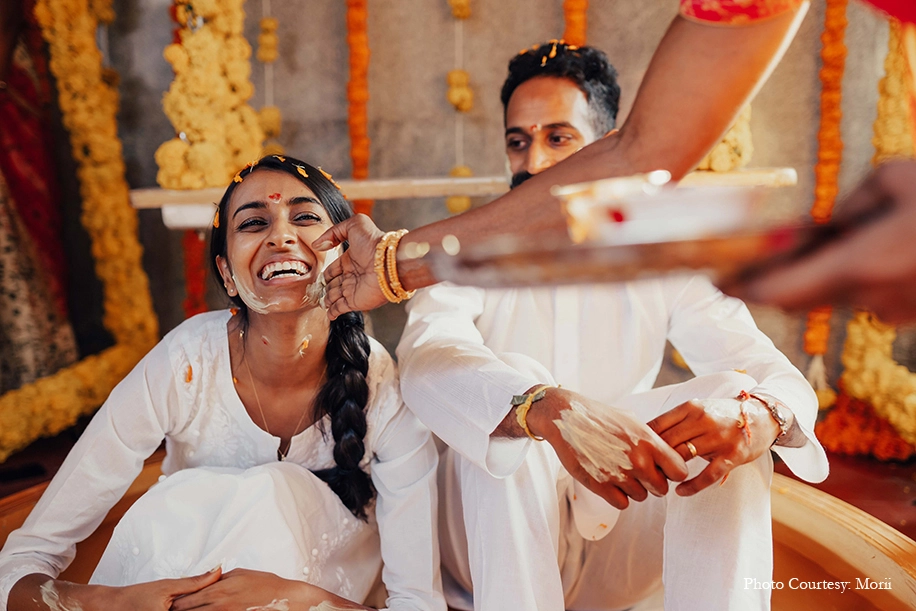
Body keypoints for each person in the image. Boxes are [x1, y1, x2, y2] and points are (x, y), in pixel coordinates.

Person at [395, 42, 828, 610]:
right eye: (518, 142)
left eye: (558, 138)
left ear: (607, 151)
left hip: (617, 531)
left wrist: (759, 416)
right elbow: (426, 361)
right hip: (485, 544)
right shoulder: (463, 250)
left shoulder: (660, 252)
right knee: (511, 397)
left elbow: (772, 369)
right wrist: (540, 407)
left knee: (734, 401)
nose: (534, 163)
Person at [0, 155, 445, 611]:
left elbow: (419, 604)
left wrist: (296, 598)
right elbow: (21, 563)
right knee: (202, 495)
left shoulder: (381, 385)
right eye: (254, 223)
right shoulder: (185, 363)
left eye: (306, 217)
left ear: (345, 254)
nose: (281, 235)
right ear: (228, 274)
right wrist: (111, 603)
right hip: (174, 583)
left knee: (270, 491)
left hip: (327, 600)